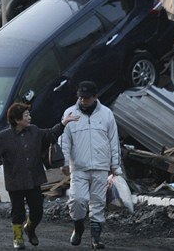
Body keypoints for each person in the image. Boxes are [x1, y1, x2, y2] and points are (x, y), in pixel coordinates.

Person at [0, 102, 79, 249]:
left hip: (34, 179)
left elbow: (50, 134)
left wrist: (63, 123)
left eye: (29, 114)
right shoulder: (4, 137)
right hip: (15, 181)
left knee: (37, 211)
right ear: (17, 119)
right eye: (26, 115)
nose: (30, 117)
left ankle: (30, 228)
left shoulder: (34, 131)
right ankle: (18, 237)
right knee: (18, 212)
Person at [59, 81, 123, 249]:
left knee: (98, 202)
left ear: (95, 96)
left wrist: (115, 166)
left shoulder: (107, 114)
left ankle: (96, 238)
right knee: (78, 200)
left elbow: (113, 141)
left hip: (101, 166)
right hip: (78, 166)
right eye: (80, 97)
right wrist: (64, 162)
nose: (83, 100)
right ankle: (78, 227)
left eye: (86, 97)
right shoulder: (70, 113)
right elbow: (64, 140)